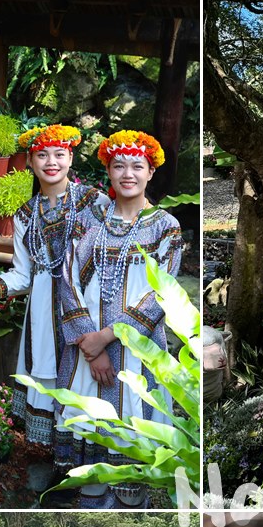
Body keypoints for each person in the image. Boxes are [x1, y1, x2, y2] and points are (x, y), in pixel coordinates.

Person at [0, 124, 102, 446]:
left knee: (83, 389)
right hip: (42, 318)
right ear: (29, 160)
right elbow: (22, 276)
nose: (51, 161)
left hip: (86, 313)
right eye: (42, 155)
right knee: (47, 384)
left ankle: (84, 472)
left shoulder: (92, 203)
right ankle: (55, 467)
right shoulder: (26, 214)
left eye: (59, 154)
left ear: (71, 158)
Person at [57, 130, 185, 507]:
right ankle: (91, 500)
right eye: (118, 166)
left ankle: (131, 506)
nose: (127, 173)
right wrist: (90, 345)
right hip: (86, 350)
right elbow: (67, 279)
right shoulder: (88, 220)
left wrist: (108, 337)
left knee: (133, 415)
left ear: (150, 172)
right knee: (88, 419)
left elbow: (162, 293)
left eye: (137, 166)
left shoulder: (165, 226)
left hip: (136, 349)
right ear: (108, 172)